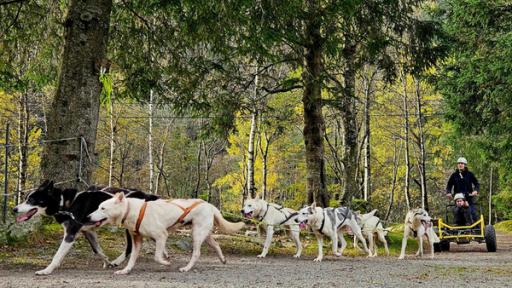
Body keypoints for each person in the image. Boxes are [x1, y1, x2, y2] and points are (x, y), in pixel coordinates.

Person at [446, 157, 480, 223]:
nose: (460, 165)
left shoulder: (470, 174)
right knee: (456, 212)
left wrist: (475, 190)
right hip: (458, 198)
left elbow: (477, 183)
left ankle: (475, 229)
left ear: (465, 165)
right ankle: (457, 229)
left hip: (468, 198)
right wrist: (448, 192)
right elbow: (449, 185)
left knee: (472, 213)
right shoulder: (454, 175)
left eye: (462, 163)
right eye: (459, 163)